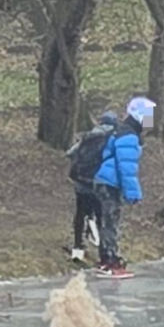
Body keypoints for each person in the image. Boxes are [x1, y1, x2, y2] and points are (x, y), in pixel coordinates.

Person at [93, 95, 156, 277]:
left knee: (108, 221)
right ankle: (109, 262)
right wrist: (132, 192)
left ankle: (107, 259)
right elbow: (126, 166)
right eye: (149, 116)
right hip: (109, 183)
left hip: (105, 181)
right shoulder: (128, 134)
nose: (151, 120)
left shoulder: (123, 131)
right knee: (110, 222)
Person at [66, 111, 119, 263]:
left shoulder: (88, 136)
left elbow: (70, 153)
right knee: (101, 216)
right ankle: (104, 254)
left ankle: (77, 248)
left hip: (80, 181)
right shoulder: (112, 139)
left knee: (80, 214)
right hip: (98, 183)